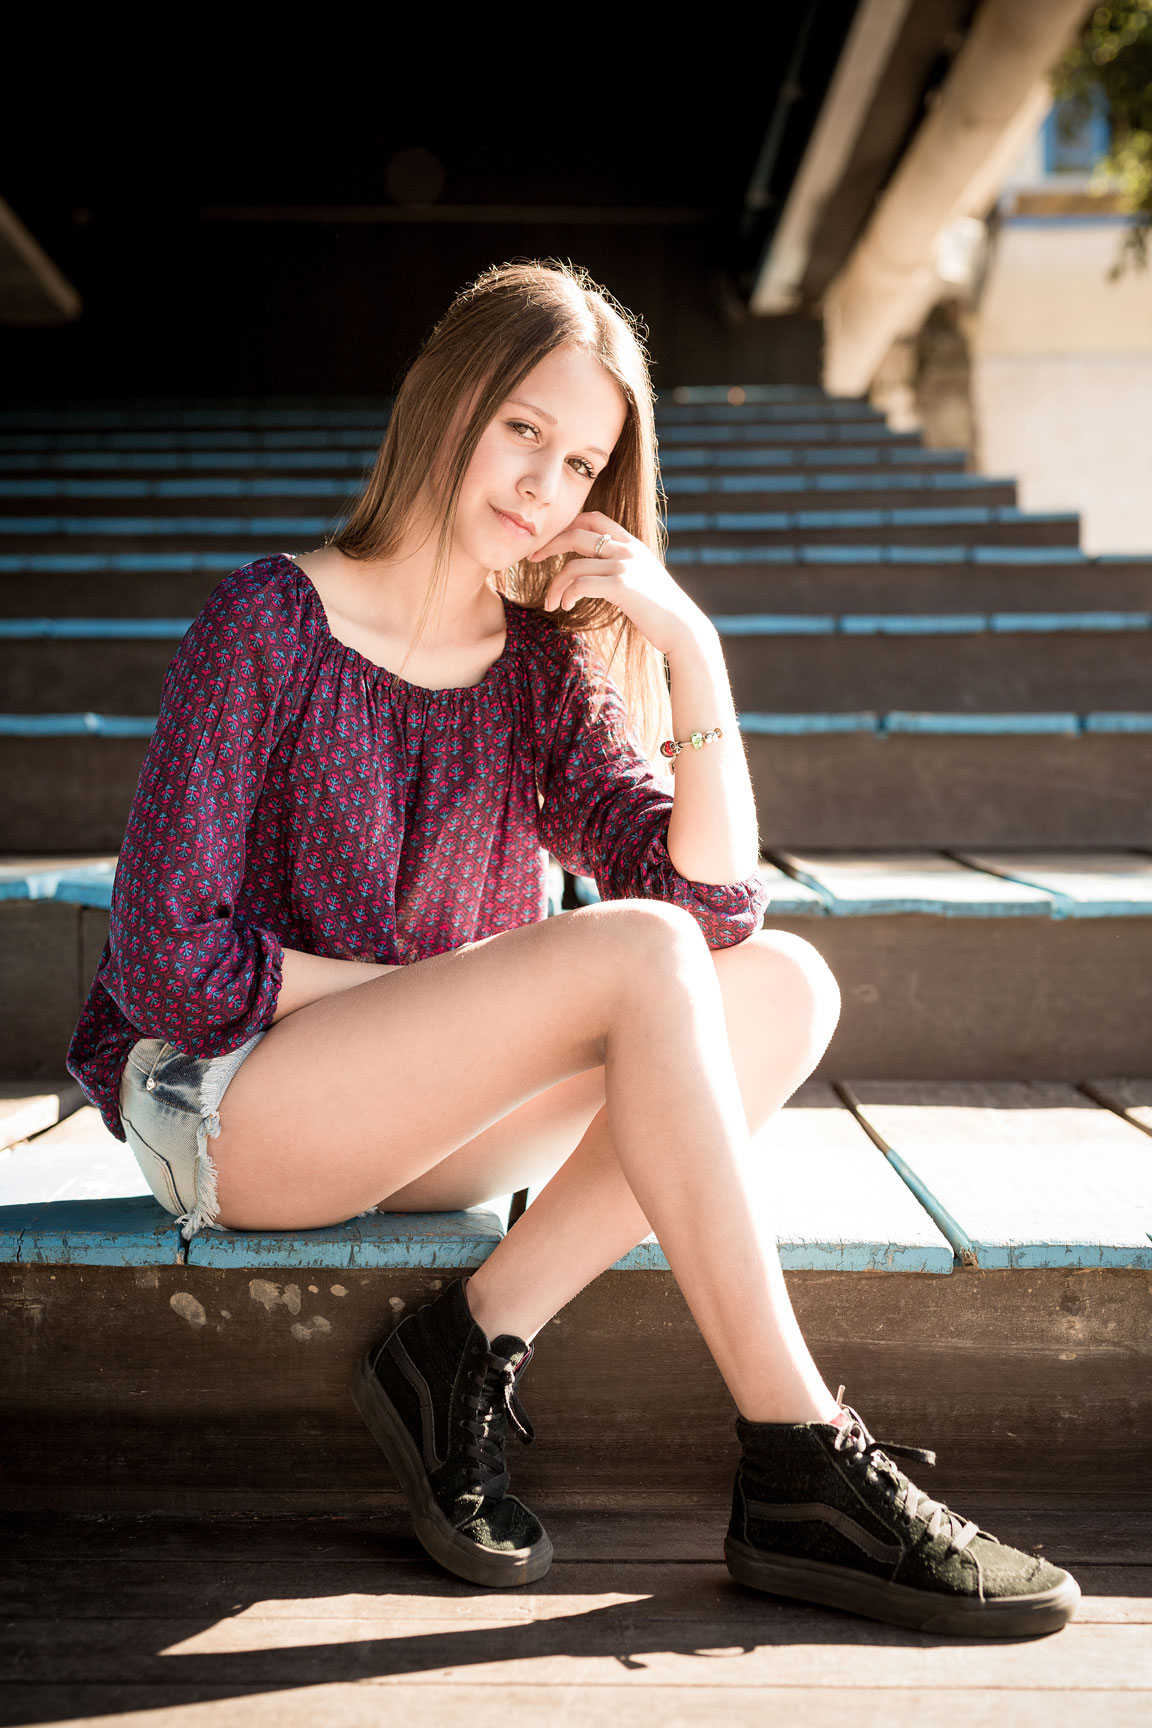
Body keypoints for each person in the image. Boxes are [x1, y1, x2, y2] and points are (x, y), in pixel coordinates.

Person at [67, 259, 1079, 1639]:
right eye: (523, 429)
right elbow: (164, 965)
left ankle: (465, 1342)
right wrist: (419, 998)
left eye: (583, 462)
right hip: (237, 1108)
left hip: (428, 1121)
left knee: (784, 989)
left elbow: (717, 912)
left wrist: (693, 646)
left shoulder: (538, 666)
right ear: (448, 401)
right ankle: (800, 1455)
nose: (546, 484)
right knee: (640, 954)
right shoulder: (267, 622)